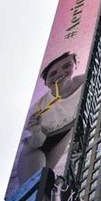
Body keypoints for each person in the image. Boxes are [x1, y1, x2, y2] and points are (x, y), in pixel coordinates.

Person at [16, 51, 85, 184]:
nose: (59, 74)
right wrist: (36, 129)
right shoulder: (37, 109)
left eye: (66, 66)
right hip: (37, 146)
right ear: (47, 83)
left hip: (63, 136)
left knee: (46, 183)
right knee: (34, 185)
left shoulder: (87, 80)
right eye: (52, 74)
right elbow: (36, 143)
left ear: (76, 66)